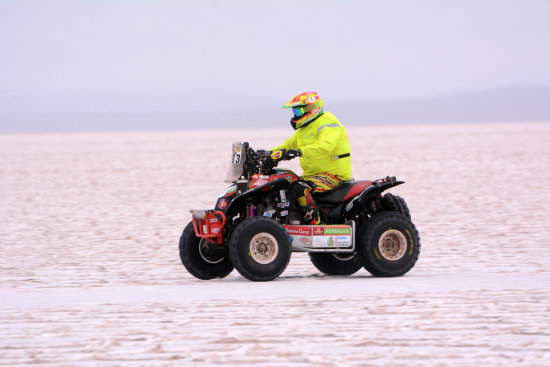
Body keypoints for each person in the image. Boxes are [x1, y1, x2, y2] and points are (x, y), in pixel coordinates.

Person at [270, 91, 352, 224]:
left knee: (300, 187)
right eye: (294, 112)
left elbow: (325, 146)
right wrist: (267, 154)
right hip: (312, 175)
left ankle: (317, 225)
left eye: (297, 112)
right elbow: (286, 146)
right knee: (282, 183)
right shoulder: (303, 130)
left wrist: (297, 152)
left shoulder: (329, 122)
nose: (295, 116)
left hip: (333, 175)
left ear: (311, 110)